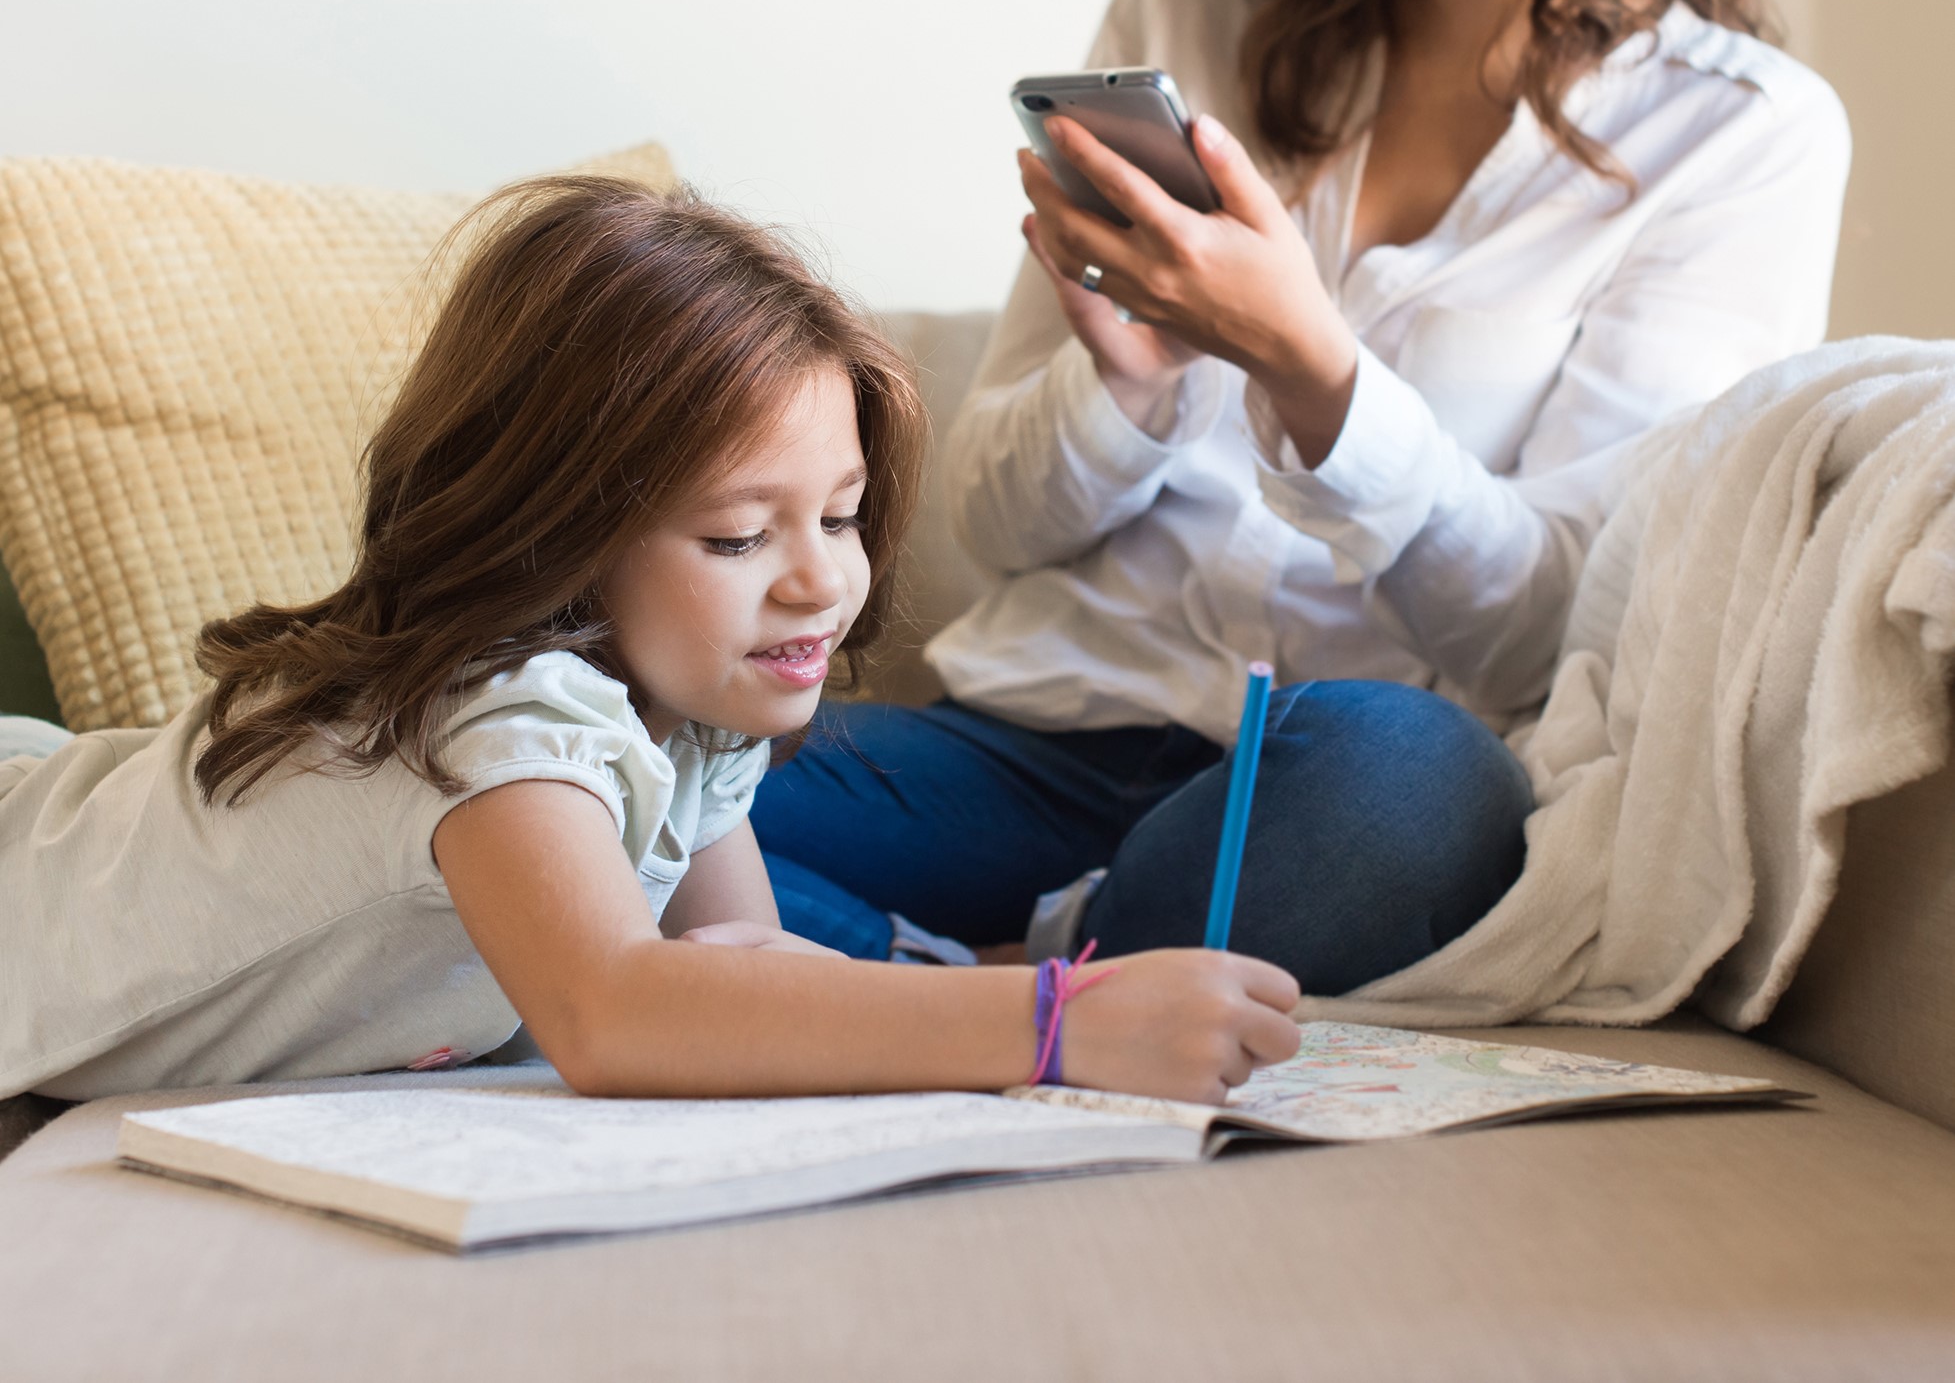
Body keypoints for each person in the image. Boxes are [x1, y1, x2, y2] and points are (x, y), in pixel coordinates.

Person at [751, 0, 1852, 983]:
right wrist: (1126, 383)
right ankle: (1010, 995)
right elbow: (992, 530)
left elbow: (1559, 638)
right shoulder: (1186, 9)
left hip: (1331, 781)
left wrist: (1311, 372)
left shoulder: (1740, 137)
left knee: (1409, 792)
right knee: (606, 792)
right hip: (1037, 743)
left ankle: (916, 982)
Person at [0, 178, 1302, 1105]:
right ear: (558, 534)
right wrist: (1055, 1021)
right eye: (738, 537)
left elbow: (734, 975)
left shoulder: (698, 710)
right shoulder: (498, 708)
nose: (818, 582)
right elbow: (621, 1011)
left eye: (843, 518)